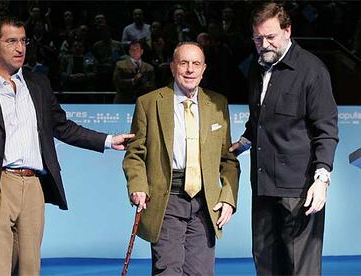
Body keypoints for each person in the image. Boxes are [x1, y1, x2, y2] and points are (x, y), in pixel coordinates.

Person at [0, 16, 133, 276]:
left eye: (23, 41)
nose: (20, 48)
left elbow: (62, 126)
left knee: (29, 270)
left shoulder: (39, 85)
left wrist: (108, 141)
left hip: (33, 187)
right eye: (11, 41)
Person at [229, 3, 339, 275]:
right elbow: (259, 121)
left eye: (270, 37)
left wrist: (322, 179)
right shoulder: (257, 69)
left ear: (287, 31)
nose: (264, 44)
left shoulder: (312, 70)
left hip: (299, 191)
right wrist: (242, 144)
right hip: (263, 185)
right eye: (258, 38)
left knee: (299, 267)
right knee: (265, 262)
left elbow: (327, 129)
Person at [123, 42, 240, 275]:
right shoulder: (149, 103)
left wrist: (228, 197)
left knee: (200, 273)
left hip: (205, 203)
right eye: (184, 63)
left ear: (204, 69)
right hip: (166, 198)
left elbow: (227, 158)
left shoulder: (218, 103)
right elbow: (135, 154)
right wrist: (138, 185)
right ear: (172, 66)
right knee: (168, 270)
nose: (190, 70)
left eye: (196, 64)